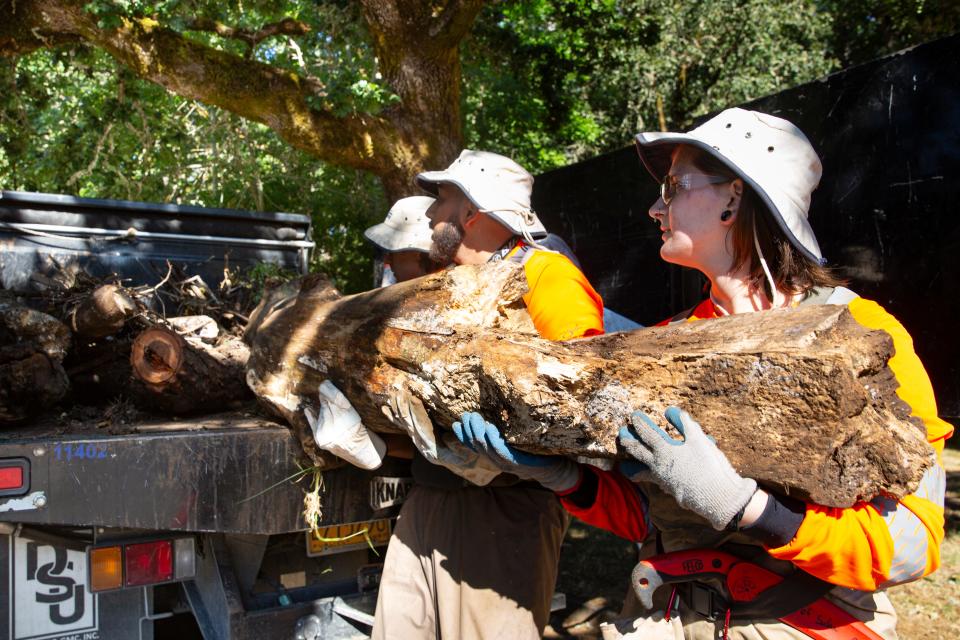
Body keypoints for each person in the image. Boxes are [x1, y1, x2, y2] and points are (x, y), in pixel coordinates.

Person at [447, 109, 952, 640]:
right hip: (664, 615)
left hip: (796, 625)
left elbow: (912, 545)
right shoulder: (670, 341)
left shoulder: (864, 336)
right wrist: (564, 479)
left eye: (672, 187)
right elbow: (651, 517)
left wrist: (750, 509)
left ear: (734, 199)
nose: (653, 207)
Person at [370, 149, 606, 640]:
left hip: (504, 512)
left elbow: (585, 398)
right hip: (430, 499)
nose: (431, 215)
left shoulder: (548, 276)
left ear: (472, 213)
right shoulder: (448, 283)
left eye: (443, 202)